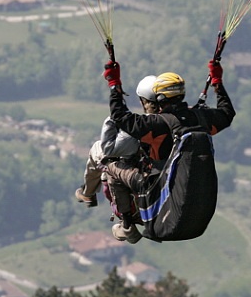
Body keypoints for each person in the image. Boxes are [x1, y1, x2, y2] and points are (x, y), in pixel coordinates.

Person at [102, 59, 236, 243]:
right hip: (192, 203)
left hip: (154, 187)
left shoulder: (158, 124)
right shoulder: (203, 119)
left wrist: (114, 84)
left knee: (110, 167)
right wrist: (217, 82)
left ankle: (127, 226)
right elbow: (227, 113)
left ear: (160, 98)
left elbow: (120, 116)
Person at [75, 76, 158, 233]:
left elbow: (108, 148)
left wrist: (114, 118)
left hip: (140, 178)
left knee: (98, 150)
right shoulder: (177, 121)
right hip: (158, 176)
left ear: (144, 101)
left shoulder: (140, 127)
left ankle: (90, 194)